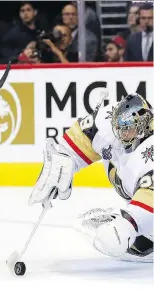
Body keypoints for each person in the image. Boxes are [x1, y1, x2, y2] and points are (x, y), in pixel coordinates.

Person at [29, 93, 153, 262]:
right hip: (132, 187)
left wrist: (128, 224)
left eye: (127, 129)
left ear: (143, 125)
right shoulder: (112, 122)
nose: (120, 134)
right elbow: (86, 131)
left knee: (125, 239)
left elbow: (151, 196)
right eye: (120, 128)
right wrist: (64, 160)